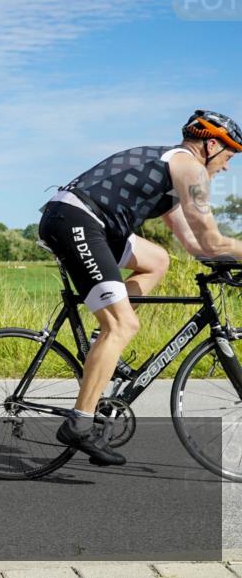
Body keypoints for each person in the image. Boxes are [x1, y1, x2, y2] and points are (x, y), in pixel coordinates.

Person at [39, 109, 242, 466]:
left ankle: (106, 340)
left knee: (157, 260)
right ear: (211, 145)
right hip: (77, 220)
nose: (226, 167)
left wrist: (227, 262)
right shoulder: (190, 169)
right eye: (228, 156)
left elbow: (196, 246)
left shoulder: (172, 173)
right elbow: (212, 240)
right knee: (122, 326)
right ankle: (79, 425)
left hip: (88, 222)